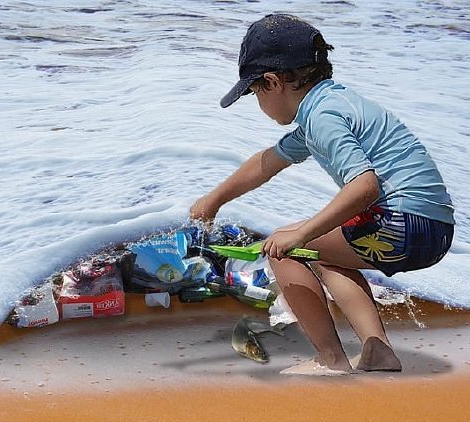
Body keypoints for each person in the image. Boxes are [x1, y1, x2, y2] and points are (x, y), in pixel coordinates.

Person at [190, 14, 455, 376]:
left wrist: (300, 235)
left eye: (254, 93)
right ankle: (377, 351)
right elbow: (267, 162)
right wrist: (214, 200)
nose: (258, 103)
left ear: (271, 82)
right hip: (434, 230)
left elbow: (364, 187)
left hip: (398, 224)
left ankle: (329, 359)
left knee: (282, 248)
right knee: (328, 255)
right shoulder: (333, 105)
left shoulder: (323, 117)